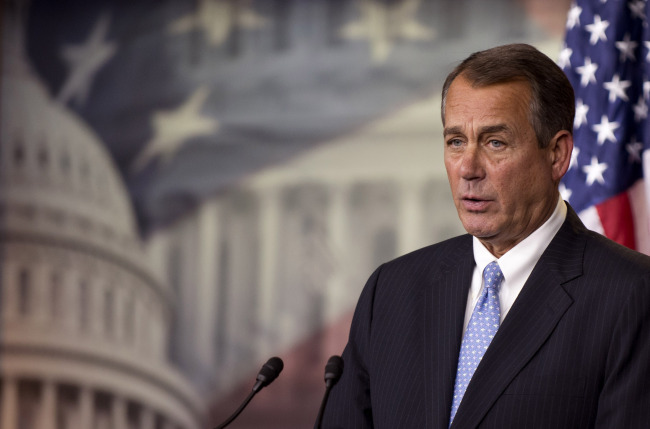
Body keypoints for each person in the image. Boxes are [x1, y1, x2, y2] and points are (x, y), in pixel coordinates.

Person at [319, 43, 650, 428]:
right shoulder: (390, 290)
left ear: (557, 155)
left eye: (495, 143)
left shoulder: (632, 295)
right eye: (456, 142)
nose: (468, 168)